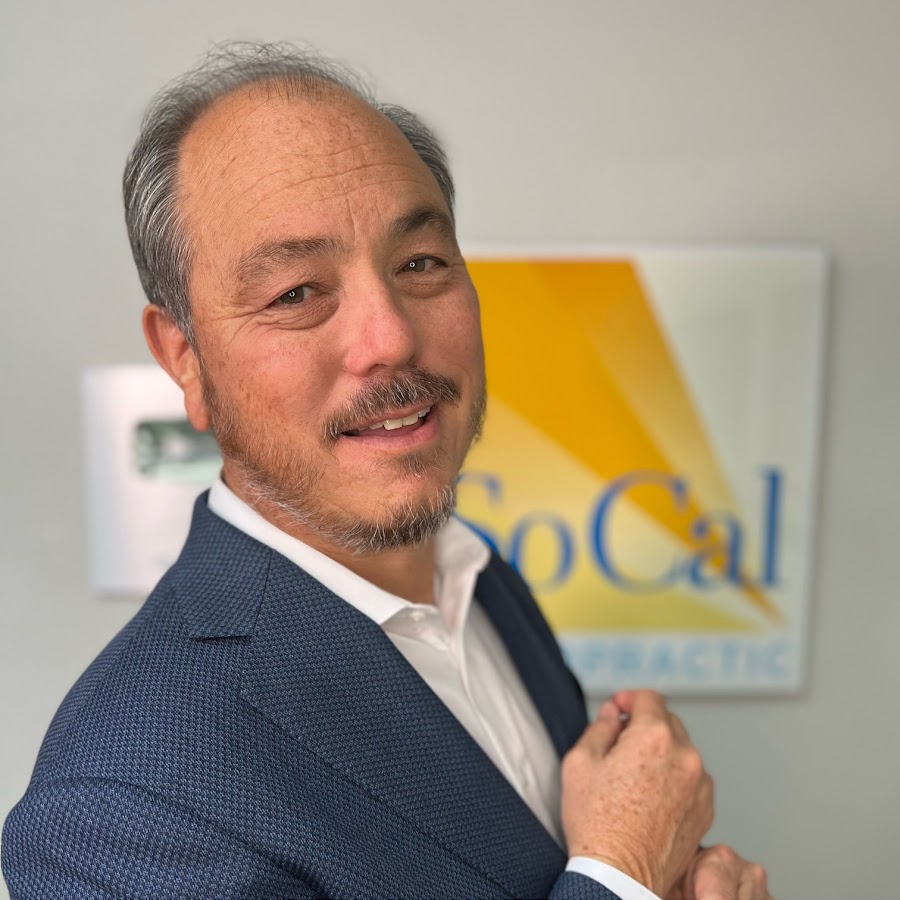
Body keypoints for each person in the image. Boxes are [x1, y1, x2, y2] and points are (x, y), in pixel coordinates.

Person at [2, 42, 770, 900]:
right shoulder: (117, 811)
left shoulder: (475, 576)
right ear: (184, 357)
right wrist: (624, 871)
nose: (392, 337)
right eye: (297, 293)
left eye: (420, 264)